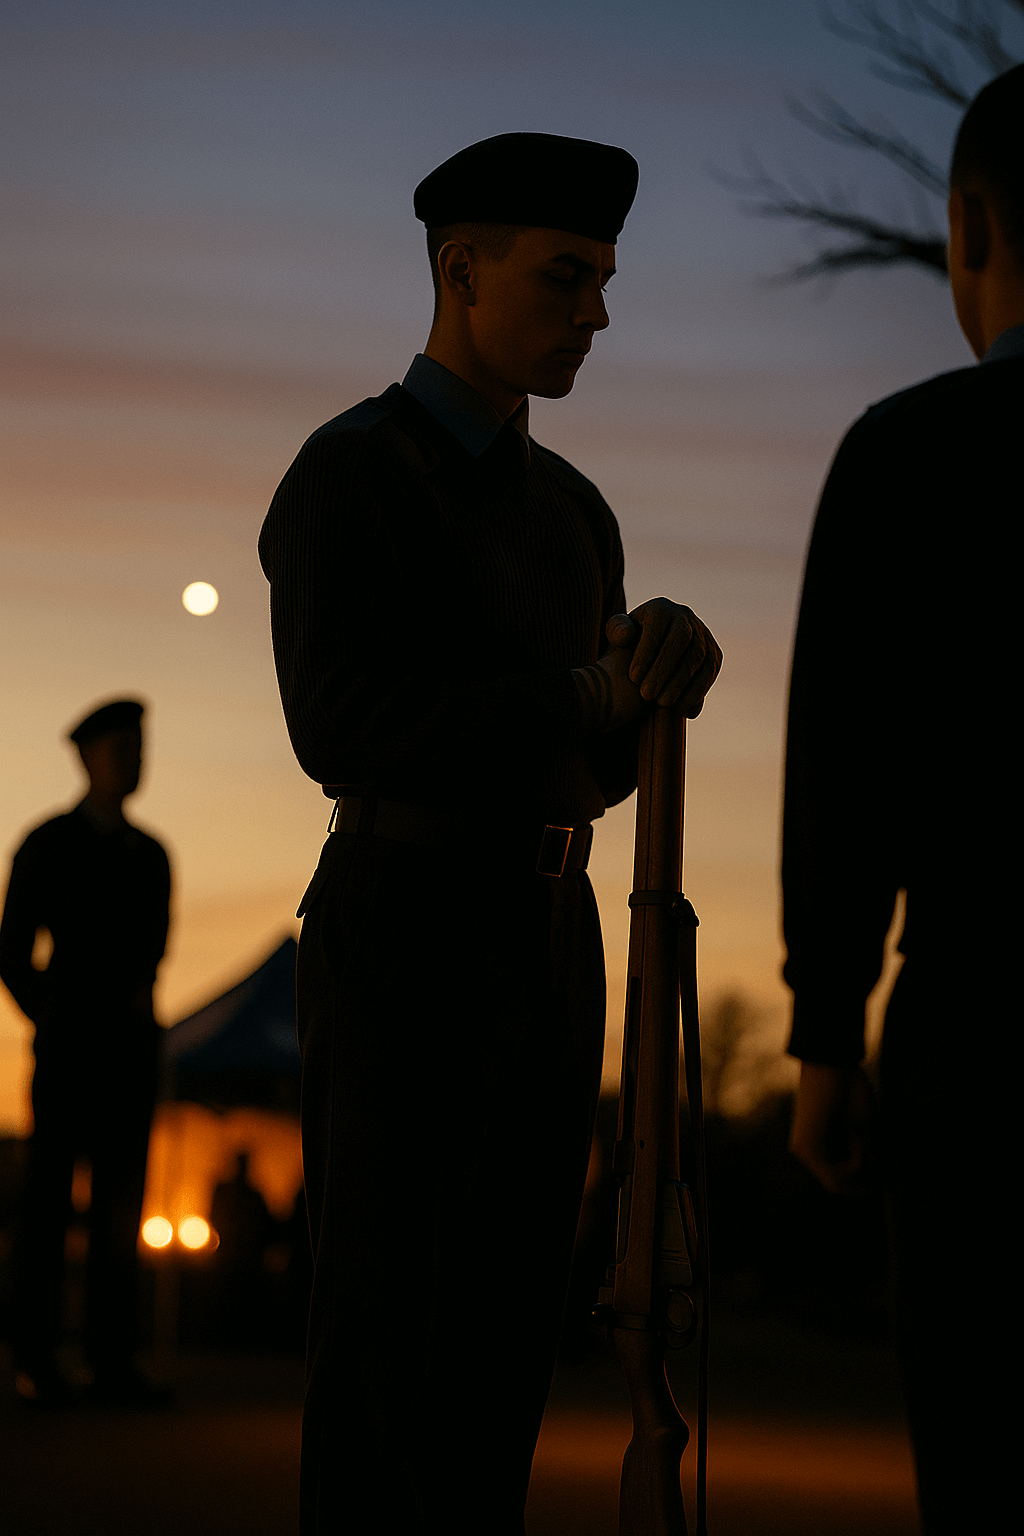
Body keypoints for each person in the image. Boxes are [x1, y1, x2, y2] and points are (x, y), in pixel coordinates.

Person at [259, 132, 722, 1533]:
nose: (596, 310)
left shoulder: (576, 511)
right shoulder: (351, 475)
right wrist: (580, 691)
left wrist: (657, 678)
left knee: (509, 1336)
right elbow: (341, 723)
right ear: (462, 271)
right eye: (567, 275)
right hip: (402, 920)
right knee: (388, 1345)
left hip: (549, 932)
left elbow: (591, 769)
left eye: (606, 280)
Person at [783, 67, 1023, 1535]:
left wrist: (825, 1028)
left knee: (985, 1432)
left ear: (970, 227)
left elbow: (843, 766)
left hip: (984, 1026)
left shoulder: (907, 456)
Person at [0, 698, 172, 1406]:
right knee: (48, 1209)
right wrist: (58, 1019)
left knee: (118, 1212)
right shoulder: (48, 844)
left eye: (139, 747)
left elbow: (151, 960)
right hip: (70, 1058)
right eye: (122, 747)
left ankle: (111, 1362)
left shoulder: (152, 855)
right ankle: (35, 1359)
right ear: (89, 758)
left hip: (127, 1059)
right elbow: (13, 953)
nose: (135, 760)